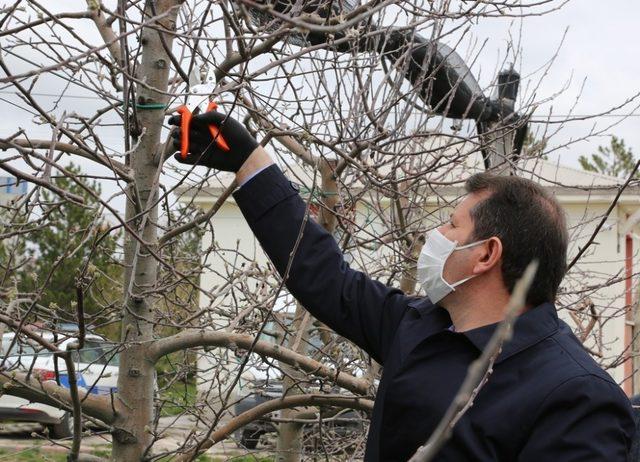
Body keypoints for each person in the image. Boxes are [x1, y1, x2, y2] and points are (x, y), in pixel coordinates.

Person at [168, 110, 635, 461]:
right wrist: (249, 162)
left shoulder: (575, 398)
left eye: (451, 226)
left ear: (486, 255)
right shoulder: (418, 325)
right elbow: (323, 275)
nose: (436, 236)